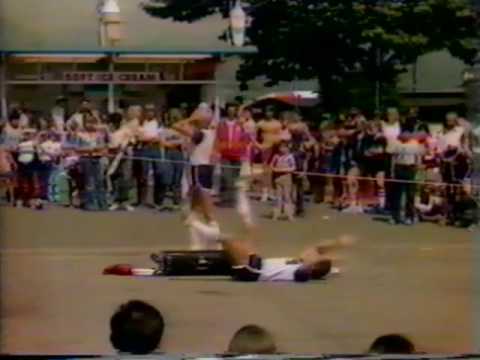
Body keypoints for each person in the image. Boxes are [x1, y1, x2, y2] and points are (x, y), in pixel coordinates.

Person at [215, 102, 249, 207]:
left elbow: (245, 139)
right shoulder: (221, 124)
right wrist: (216, 151)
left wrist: (243, 153)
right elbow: (217, 138)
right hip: (225, 154)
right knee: (226, 177)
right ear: (227, 111)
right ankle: (225, 199)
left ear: (235, 112)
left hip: (237, 154)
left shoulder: (240, 124)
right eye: (229, 110)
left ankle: (232, 200)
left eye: (233, 110)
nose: (231, 112)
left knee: (235, 179)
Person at [390, 132, 425, 225]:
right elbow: (394, 158)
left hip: (410, 168)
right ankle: (395, 216)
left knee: (410, 194)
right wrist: (393, 171)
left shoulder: (414, 145)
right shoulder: (397, 145)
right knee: (397, 194)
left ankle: (409, 216)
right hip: (399, 167)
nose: (404, 137)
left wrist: (417, 170)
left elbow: (418, 158)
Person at [256, 106, 283, 202]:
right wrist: (257, 146)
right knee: (265, 170)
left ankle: (272, 192)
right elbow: (255, 136)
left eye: (270, 111)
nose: (269, 113)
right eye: (267, 111)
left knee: (273, 171)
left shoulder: (277, 123)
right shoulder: (260, 123)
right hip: (265, 147)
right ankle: (264, 192)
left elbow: (281, 135)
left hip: (276, 148)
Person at [270, 141, 296, 221]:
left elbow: (293, 167)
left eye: (284, 147)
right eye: (281, 147)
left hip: (286, 177)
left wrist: (283, 170)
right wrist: (275, 169)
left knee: (287, 196)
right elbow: (271, 165)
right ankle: (276, 214)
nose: (282, 149)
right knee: (278, 197)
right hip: (278, 178)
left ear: (288, 148)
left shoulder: (290, 157)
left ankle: (289, 215)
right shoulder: (276, 156)